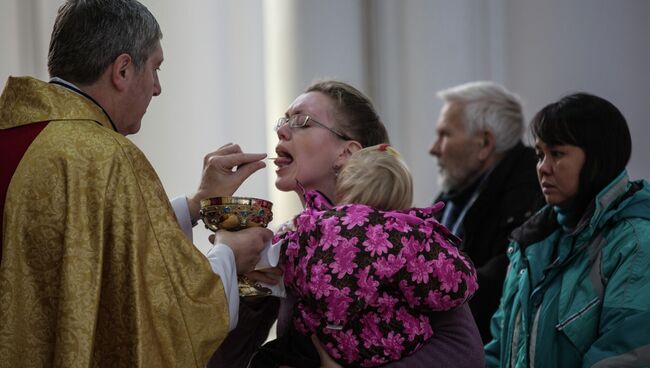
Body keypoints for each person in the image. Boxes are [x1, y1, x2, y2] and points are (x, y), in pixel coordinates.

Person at [0, 1, 271, 367]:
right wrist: (227, 254)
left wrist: (195, 205)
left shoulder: (19, 138)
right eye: (155, 68)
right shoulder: (105, 156)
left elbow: (85, 244)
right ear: (123, 70)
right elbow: (168, 316)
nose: (157, 88)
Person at [210, 80, 484, 368]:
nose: (280, 129)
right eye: (283, 121)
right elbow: (225, 363)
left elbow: (465, 352)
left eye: (301, 121)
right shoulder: (287, 242)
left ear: (347, 153)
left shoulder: (396, 236)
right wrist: (248, 287)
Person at [251, 144, 478, 367]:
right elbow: (454, 286)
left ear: (344, 188)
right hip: (384, 347)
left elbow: (273, 255)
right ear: (404, 201)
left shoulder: (314, 223)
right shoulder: (411, 236)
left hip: (316, 341)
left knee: (265, 358)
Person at [485, 93, 650, 367]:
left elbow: (624, 356)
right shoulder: (530, 243)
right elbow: (500, 348)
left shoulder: (635, 241)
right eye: (539, 155)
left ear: (598, 157)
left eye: (557, 153)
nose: (542, 168)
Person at [429, 81, 543, 342]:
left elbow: (500, 279)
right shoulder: (458, 187)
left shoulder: (530, 192)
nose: (433, 148)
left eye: (445, 135)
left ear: (484, 143)